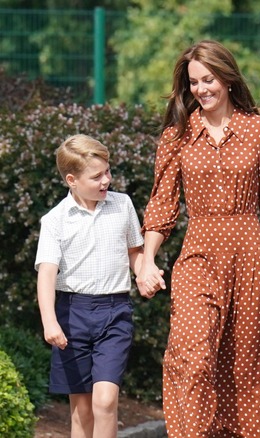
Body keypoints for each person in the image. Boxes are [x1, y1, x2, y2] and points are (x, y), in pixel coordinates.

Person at [136, 40, 260, 438]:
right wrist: (147, 260)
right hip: (197, 254)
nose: (201, 89)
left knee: (246, 363)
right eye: (194, 82)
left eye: (209, 79)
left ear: (228, 79)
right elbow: (162, 205)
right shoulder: (177, 136)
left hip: (249, 255)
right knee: (192, 354)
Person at [35, 134, 152, 438]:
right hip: (72, 315)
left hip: (115, 312)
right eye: (97, 176)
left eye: (108, 172)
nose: (106, 180)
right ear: (71, 180)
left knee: (105, 401)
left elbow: (134, 252)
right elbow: (47, 273)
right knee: (82, 411)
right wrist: (50, 321)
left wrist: (144, 273)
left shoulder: (122, 204)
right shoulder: (55, 220)